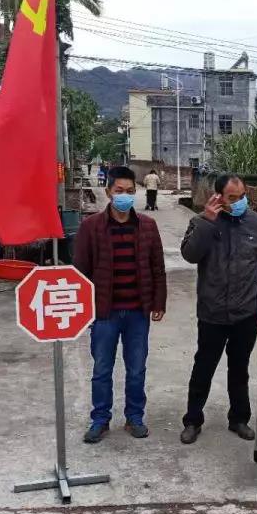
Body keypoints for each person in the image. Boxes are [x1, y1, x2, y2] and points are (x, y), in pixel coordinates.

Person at [73, 166, 167, 443]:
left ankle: (134, 417)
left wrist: (158, 302)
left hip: (138, 312)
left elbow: (158, 268)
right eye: (119, 191)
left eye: (129, 191)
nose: (124, 196)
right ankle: (100, 419)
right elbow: (80, 271)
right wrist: (84, 310)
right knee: (102, 369)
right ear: (108, 192)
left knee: (136, 369)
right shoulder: (91, 227)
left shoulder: (147, 226)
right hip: (105, 313)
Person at [179, 173, 257, 444]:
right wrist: (207, 222)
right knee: (204, 366)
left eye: (242, 196)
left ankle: (239, 419)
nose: (239, 201)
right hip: (213, 311)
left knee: (239, 368)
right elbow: (190, 255)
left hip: (246, 311)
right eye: (233, 197)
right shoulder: (201, 221)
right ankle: (193, 420)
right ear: (218, 196)